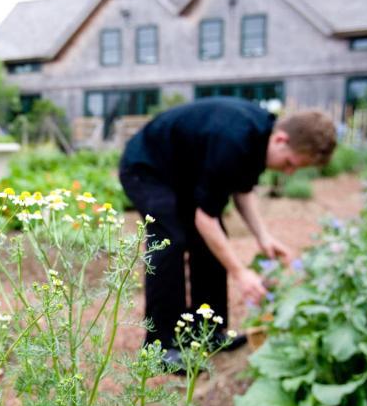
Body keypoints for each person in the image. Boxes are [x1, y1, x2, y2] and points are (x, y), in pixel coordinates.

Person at [118, 97, 336, 361]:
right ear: (281, 141)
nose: (289, 173)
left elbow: (241, 189)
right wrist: (241, 274)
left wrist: (263, 237)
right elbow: (205, 220)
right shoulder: (235, 140)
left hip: (183, 174)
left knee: (209, 242)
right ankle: (161, 346)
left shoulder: (259, 135)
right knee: (170, 240)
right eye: (290, 163)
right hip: (148, 168)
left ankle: (207, 332)